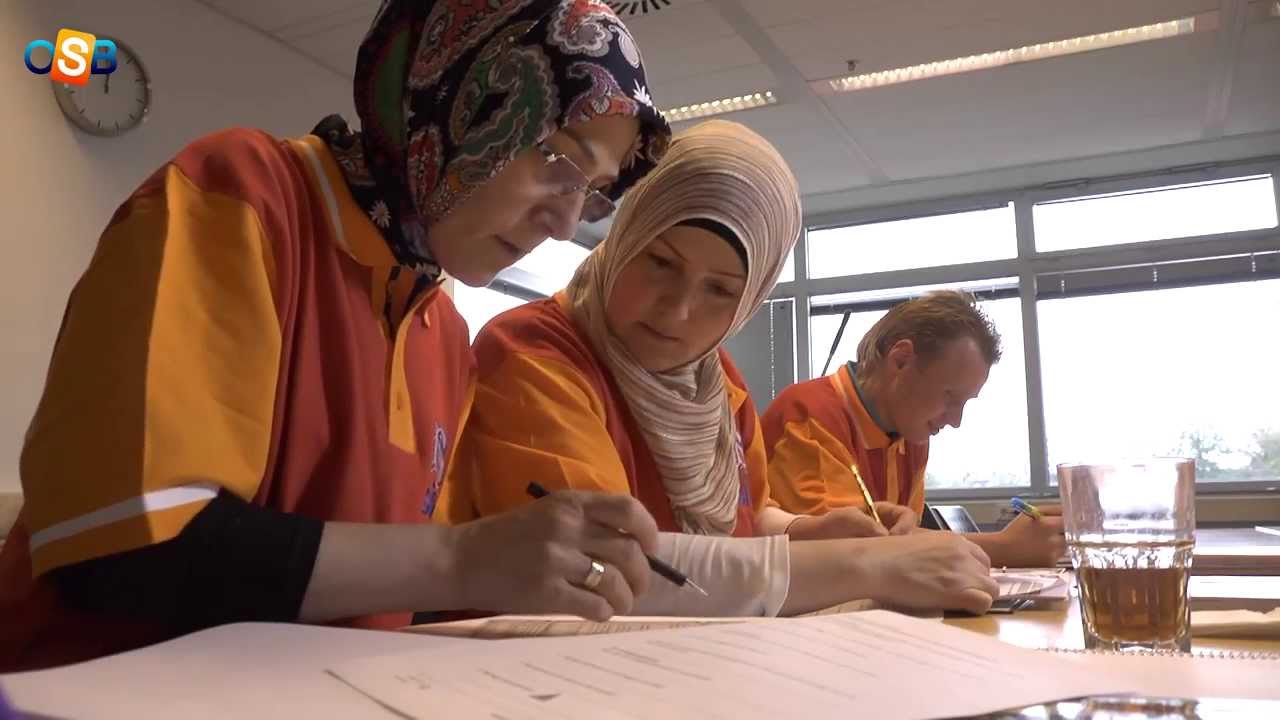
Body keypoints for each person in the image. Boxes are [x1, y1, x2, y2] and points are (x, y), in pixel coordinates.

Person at [0, 0, 673, 672]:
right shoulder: (244, 197)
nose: (563, 224)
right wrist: (463, 559)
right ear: (459, 89)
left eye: (592, 193)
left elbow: (385, 594)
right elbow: (125, 554)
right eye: (556, 157)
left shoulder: (439, 335)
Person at [439, 120, 999, 617]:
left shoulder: (717, 382)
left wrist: (804, 532)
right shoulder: (532, 352)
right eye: (660, 263)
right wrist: (867, 566)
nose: (677, 310)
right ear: (625, 238)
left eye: (720, 290)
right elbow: (607, 568)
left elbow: (746, 515)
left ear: (750, 300)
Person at [762, 290, 1066, 568]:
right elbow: (846, 553)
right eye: (950, 396)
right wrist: (1003, 548)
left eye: (964, 402)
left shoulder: (910, 433)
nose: (955, 420)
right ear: (901, 360)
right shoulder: (810, 414)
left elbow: (900, 539)